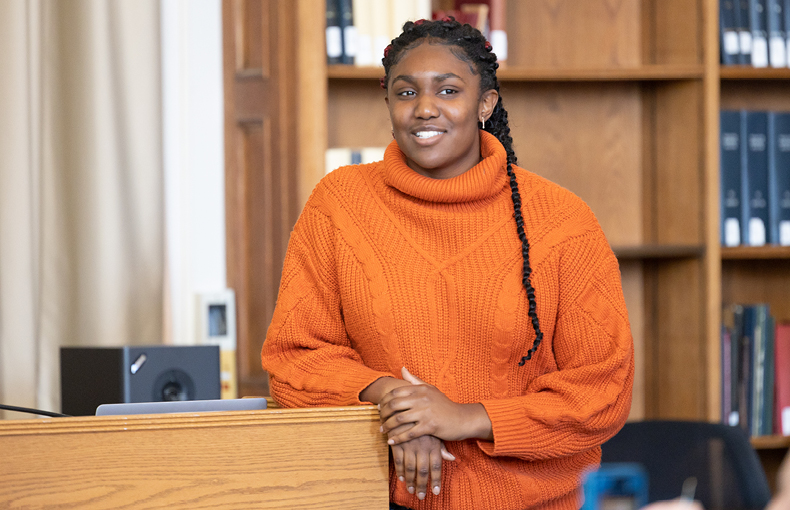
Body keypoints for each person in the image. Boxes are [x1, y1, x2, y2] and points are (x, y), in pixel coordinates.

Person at [261, 17, 634, 510]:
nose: (425, 108)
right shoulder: (339, 204)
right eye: (406, 92)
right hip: (376, 496)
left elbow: (602, 391)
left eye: (448, 90)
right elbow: (294, 359)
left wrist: (464, 417)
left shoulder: (562, 221)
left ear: (485, 103)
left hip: (534, 504)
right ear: (389, 103)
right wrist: (395, 403)